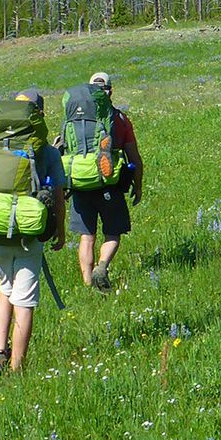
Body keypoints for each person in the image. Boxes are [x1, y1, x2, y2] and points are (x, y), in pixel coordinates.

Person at [0, 88, 67, 372]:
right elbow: (58, 192)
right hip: (27, 232)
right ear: (38, 115)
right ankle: (16, 368)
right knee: (25, 300)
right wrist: (61, 229)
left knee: (5, 288)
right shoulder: (45, 150)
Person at [65, 72, 143, 291]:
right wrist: (138, 186)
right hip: (110, 184)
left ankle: (87, 283)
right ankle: (102, 266)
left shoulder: (74, 119)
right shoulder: (119, 120)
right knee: (112, 232)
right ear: (110, 90)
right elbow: (135, 158)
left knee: (86, 237)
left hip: (80, 183)